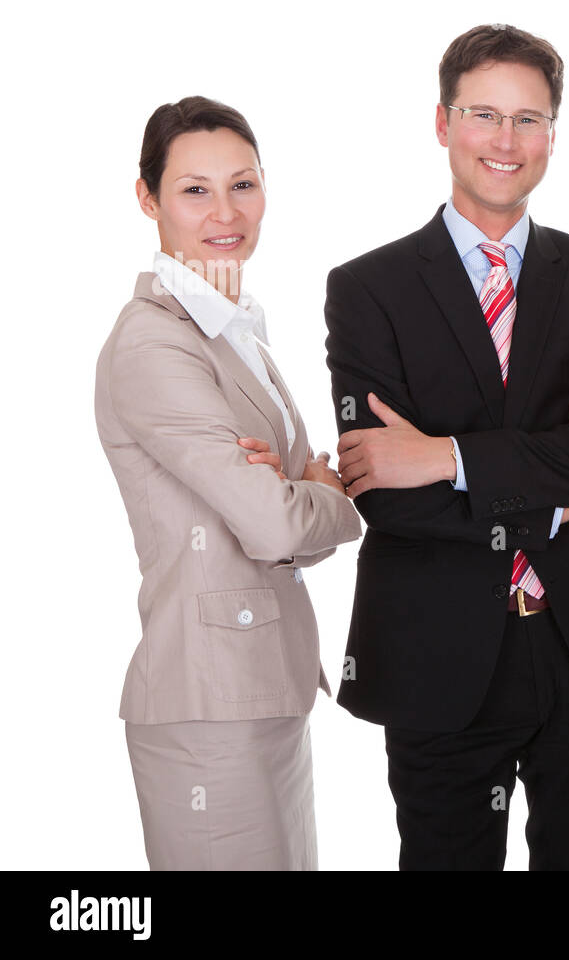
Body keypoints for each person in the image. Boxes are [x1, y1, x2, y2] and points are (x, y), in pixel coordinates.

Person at [323, 24, 569, 870]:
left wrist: (448, 455)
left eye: (529, 119)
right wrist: (558, 471)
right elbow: (384, 490)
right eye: (483, 114)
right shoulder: (367, 289)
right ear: (442, 123)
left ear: (552, 134)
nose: (505, 141)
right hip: (441, 653)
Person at [94, 96, 362, 870]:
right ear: (148, 198)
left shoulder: (234, 332)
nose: (225, 211)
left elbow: (284, 534)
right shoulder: (154, 344)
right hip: (206, 709)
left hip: (263, 693)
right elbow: (280, 526)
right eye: (194, 189)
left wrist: (293, 491)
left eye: (243, 185)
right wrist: (328, 494)